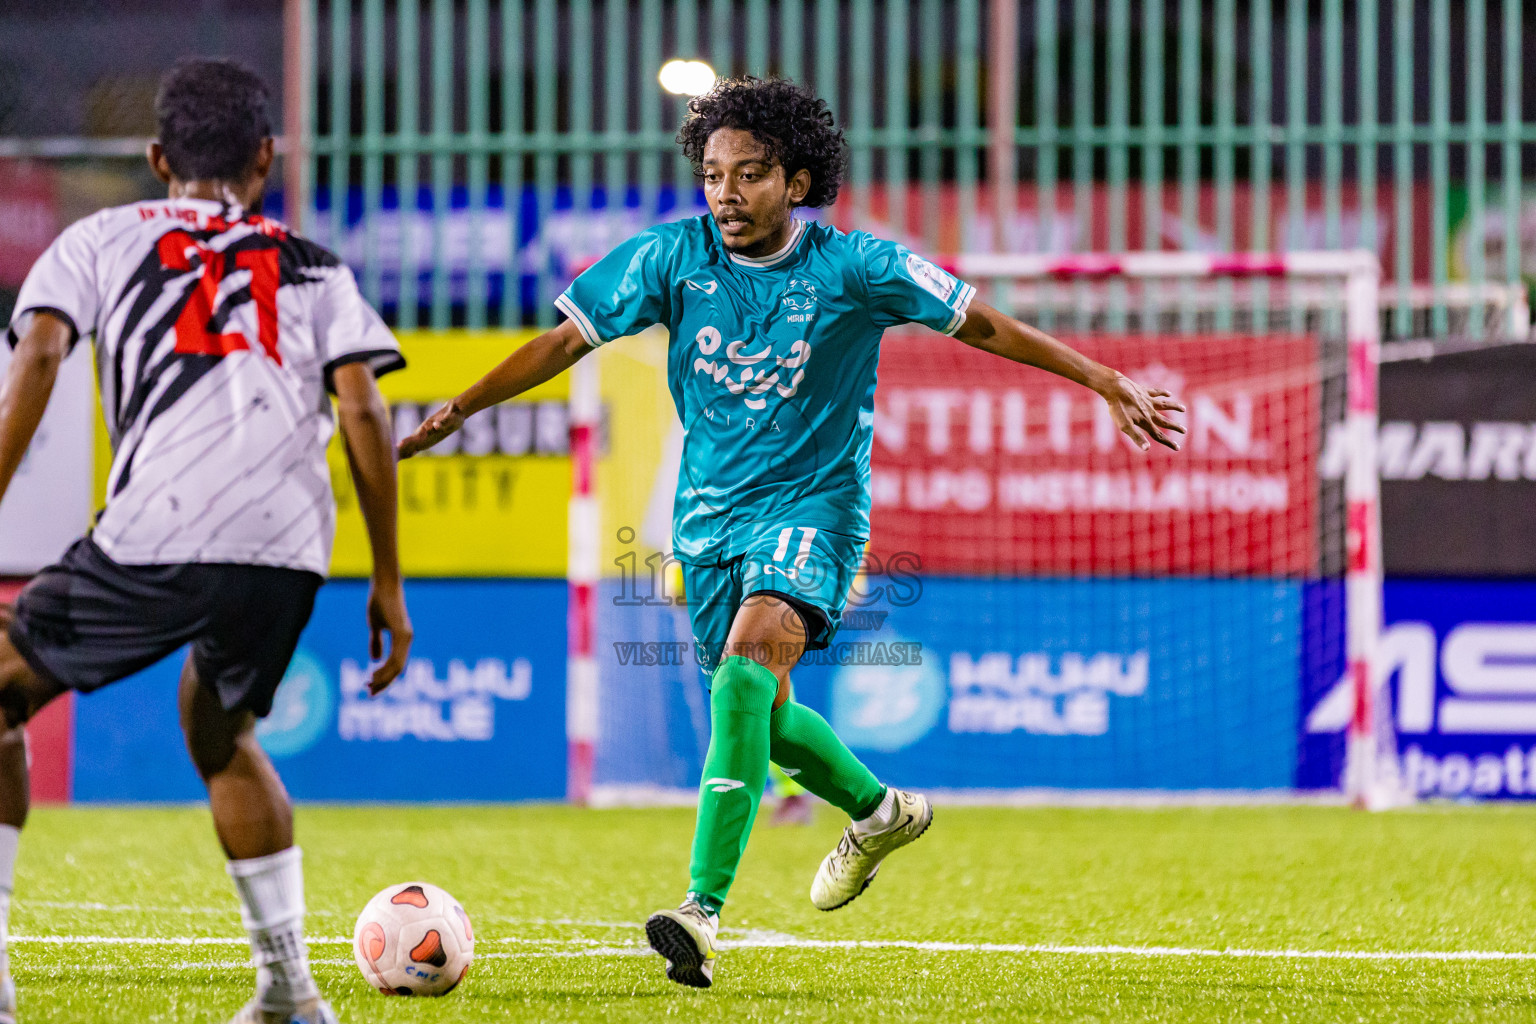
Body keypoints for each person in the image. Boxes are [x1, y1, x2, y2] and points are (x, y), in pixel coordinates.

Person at [397, 76, 1183, 989]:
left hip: (815, 512)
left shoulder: (857, 269)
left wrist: (1101, 378)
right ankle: (882, 811)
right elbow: (564, 342)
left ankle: (700, 910)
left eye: (752, 174)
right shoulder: (669, 259)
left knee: (742, 673)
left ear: (799, 183)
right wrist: (459, 405)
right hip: (709, 524)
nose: (726, 193)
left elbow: (985, 324)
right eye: (713, 175)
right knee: (757, 715)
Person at [0, 59, 412, 1024]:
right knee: (221, 732)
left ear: (155, 158)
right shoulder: (312, 263)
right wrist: (387, 578)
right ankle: (290, 992)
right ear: (266, 158)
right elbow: (362, 408)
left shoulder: (100, 238)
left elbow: (42, 357)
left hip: (164, 523)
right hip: (289, 545)